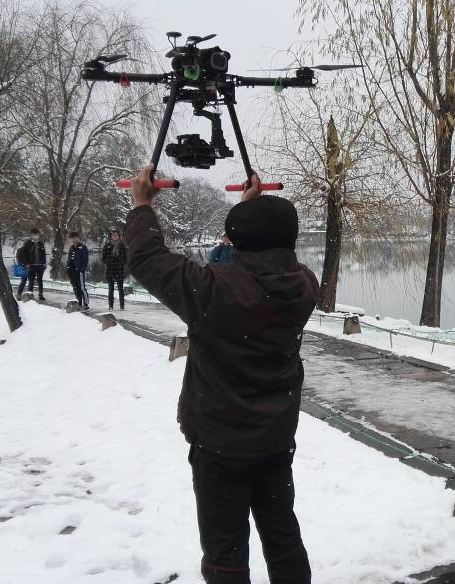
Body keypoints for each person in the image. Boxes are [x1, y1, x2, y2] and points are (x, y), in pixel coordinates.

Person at [124, 165, 318, 584]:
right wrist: (251, 211)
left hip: (220, 443)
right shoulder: (304, 284)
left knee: (224, 550)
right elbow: (251, 265)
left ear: (240, 241)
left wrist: (142, 205)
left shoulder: (211, 292)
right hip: (276, 436)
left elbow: (146, 257)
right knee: (283, 535)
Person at [17, 228, 48, 300]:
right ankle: (29, 295)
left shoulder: (41, 243)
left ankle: (40, 294)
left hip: (40, 265)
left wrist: (44, 263)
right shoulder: (27, 243)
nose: (35, 236)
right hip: (31, 265)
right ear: (31, 235)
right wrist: (26, 263)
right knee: (31, 281)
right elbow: (24, 254)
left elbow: (43, 254)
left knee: (40, 280)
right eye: (34, 235)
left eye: (37, 235)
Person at [101, 230, 128, 310]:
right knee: (111, 289)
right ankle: (111, 306)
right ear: (111, 237)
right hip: (110, 269)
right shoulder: (107, 246)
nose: (115, 236)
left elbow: (125, 259)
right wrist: (109, 261)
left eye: (116, 235)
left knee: (121, 289)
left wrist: (120, 261)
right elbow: (103, 258)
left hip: (119, 269)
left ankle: (122, 306)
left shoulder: (122, 246)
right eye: (113, 235)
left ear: (119, 236)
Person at [66, 232, 90, 310]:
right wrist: (68, 268)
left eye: (75, 238)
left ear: (78, 238)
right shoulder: (71, 248)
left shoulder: (83, 247)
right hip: (71, 271)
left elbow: (85, 261)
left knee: (82, 288)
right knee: (75, 288)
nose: (73, 240)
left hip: (79, 271)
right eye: (72, 238)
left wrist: (82, 270)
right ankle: (79, 302)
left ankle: (86, 303)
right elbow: (69, 259)